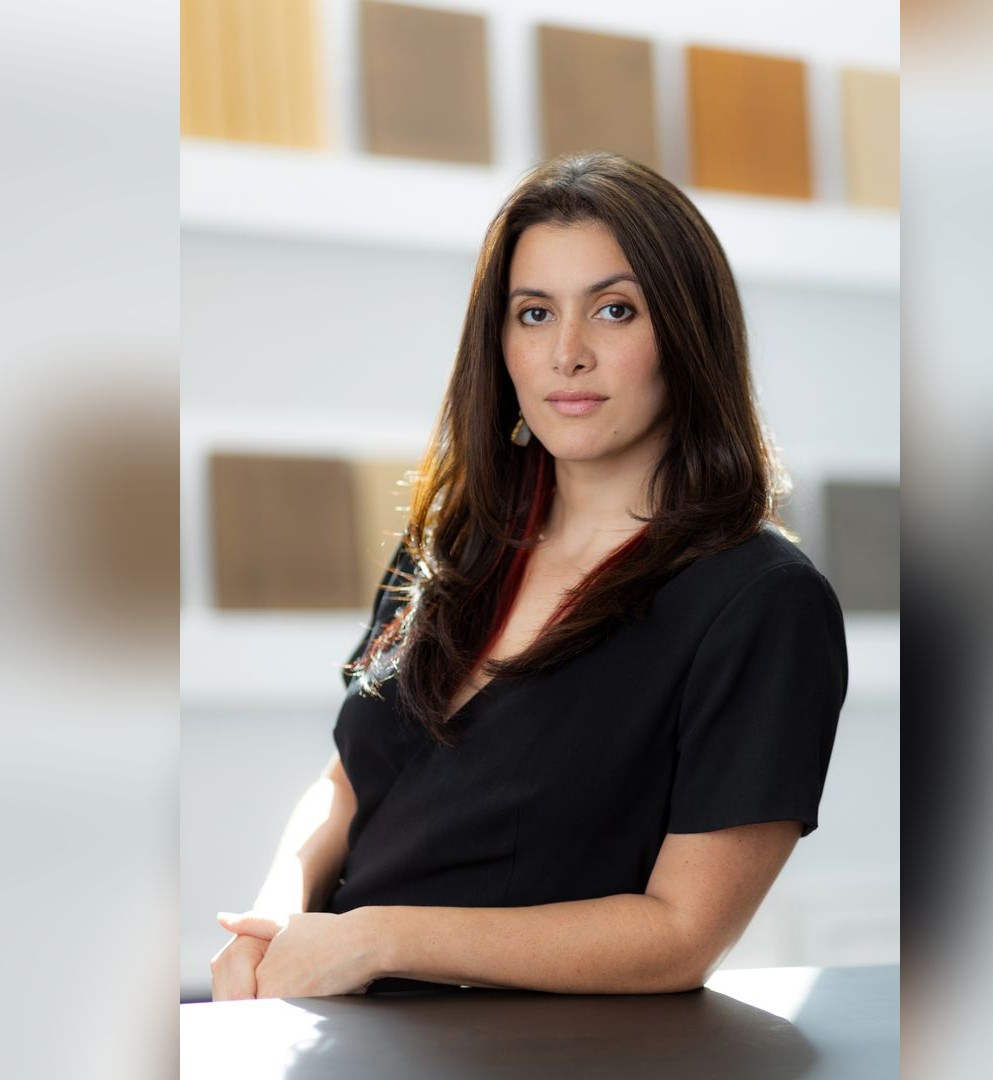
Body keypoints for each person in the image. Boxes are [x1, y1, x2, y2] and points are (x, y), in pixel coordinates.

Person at [211, 152, 848, 1000]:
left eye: (615, 310)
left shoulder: (762, 601)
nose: (567, 354)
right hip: (336, 1028)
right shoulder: (455, 545)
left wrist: (374, 940)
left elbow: (681, 936)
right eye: (534, 312)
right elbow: (348, 783)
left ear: (689, 336)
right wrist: (276, 922)